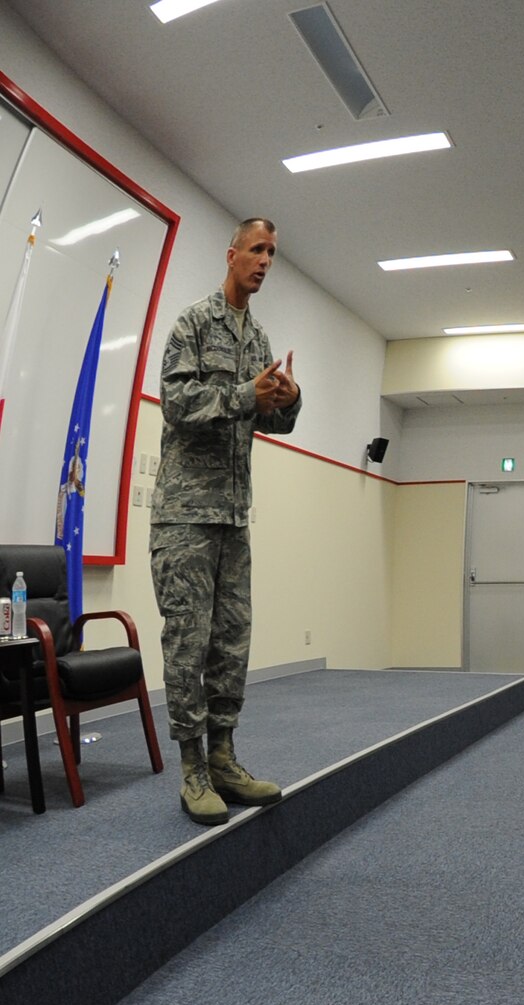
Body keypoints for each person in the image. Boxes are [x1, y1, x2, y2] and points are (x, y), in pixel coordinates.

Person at [153, 217, 301, 825]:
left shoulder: (259, 338)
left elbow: (269, 421)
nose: (265, 260)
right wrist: (245, 395)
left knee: (230, 644)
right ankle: (191, 769)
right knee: (188, 645)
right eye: (257, 250)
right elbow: (177, 402)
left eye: (272, 253)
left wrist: (288, 402)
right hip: (186, 515)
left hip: (233, 518)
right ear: (232, 253)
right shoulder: (192, 323)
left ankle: (223, 757)